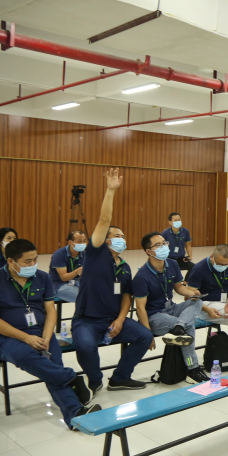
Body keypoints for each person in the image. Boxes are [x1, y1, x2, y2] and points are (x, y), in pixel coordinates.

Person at [0, 239, 100, 427]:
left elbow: (50, 311)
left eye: (35, 259)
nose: (33, 264)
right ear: (10, 261)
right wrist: (26, 338)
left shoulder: (42, 277)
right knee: (26, 355)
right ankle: (71, 377)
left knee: (52, 365)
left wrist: (47, 337)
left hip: (40, 331)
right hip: (5, 336)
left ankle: (75, 415)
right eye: (27, 261)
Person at [72, 169, 153, 394]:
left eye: (123, 237)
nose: (121, 239)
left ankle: (120, 378)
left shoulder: (124, 267)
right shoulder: (95, 253)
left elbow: (127, 296)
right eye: (117, 236)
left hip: (112, 320)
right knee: (85, 346)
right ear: (105, 240)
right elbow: (104, 220)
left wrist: (120, 319)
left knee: (144, 336)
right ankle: (95, 380)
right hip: (86, 320)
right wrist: (110, 191)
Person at [133, 232, 209, 384]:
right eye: (158, 245)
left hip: (172, 308)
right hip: (154, 315)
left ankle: (179, 327)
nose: (164, 247)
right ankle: (192, 368)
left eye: (164, 243)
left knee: (197, 303)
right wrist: (147, 334)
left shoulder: (172, 264)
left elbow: (179, 288)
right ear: (149, 251)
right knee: (188, 327)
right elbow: (140, 309)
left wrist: (192, 293)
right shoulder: (141, 276)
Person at [185, 244, 228, 353]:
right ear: (212, 256)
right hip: (206, 305)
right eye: (220, 264)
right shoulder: (199, 268)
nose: (223, 266)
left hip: (225, 299)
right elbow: (187, 298)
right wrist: (207, 310)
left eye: (226, 264)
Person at [48, 230, 87, 303]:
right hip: (58, 284)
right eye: (79, 241)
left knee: (94, 292)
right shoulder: (59, 255)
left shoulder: (83, 254)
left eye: (84, 241)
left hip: (76, 281)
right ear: (70, 242)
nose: (82, 243)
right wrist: (77, 271)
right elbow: (64, 277)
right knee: (83, 297)